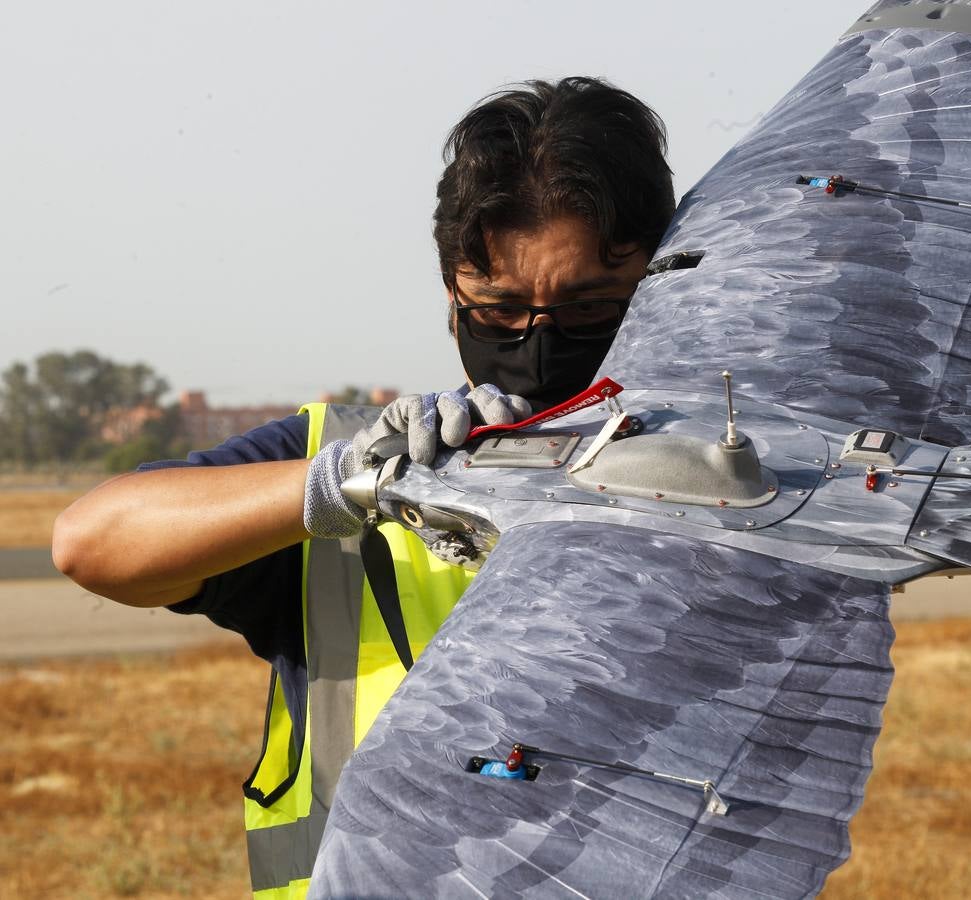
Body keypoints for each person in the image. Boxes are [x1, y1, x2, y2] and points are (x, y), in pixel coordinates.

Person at [52, 76, 675, 897]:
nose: (536, 347)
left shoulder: (724, 473)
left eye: (591, 307)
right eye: (497, 310)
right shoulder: (347, 453)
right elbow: (92, 543)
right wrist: (345, 485)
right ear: (451, 295)